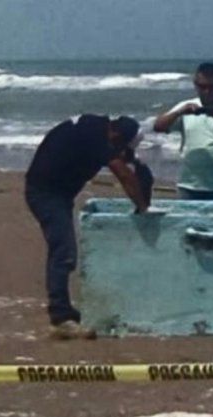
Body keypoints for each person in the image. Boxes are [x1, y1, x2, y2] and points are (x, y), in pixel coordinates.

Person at [25, 114, 151, 339]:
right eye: (121, 146)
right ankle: (60, 318)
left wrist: (133, 159)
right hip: (45, 193)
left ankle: (64, 311)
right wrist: (143, 208)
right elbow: (123, 175)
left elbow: (123, 158)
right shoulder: (97, 139)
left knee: (62, 249)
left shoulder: (98, 128)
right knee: (63, 251)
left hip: (57, 192)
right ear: (116, 136)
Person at [153, 62, 213, 200]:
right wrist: (179, 112)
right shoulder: (186, 107)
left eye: (211, 87)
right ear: (195, 85)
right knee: (188, 221)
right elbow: (158, 127)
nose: (207, 91)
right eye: (202, 87)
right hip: (189, 184)